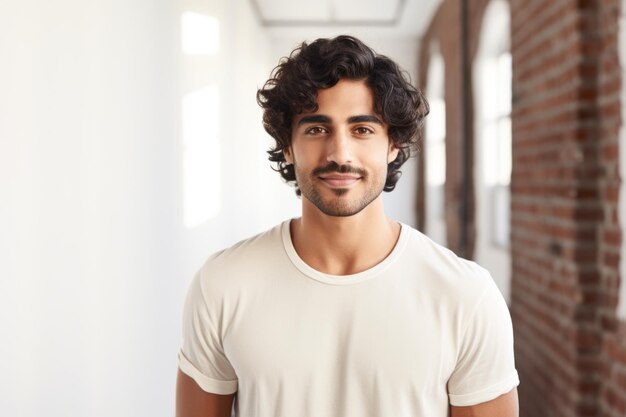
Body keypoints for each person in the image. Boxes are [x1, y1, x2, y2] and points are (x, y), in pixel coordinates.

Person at [175, 35, 519, 417]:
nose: (339, 154)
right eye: (317, 129)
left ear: (393, 144)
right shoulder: (223, 283)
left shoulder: (466, 296)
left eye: (362, 130)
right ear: (288, 145)